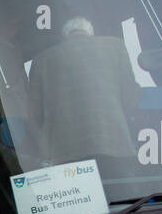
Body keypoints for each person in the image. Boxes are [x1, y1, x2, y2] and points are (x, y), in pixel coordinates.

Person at [27, 15, 139, 164]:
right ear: (90, 32)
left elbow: (34, 112)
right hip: (113, 143)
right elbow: (131, 93)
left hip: (64, 150)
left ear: (65, 36)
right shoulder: (115, 47)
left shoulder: (42, 60)